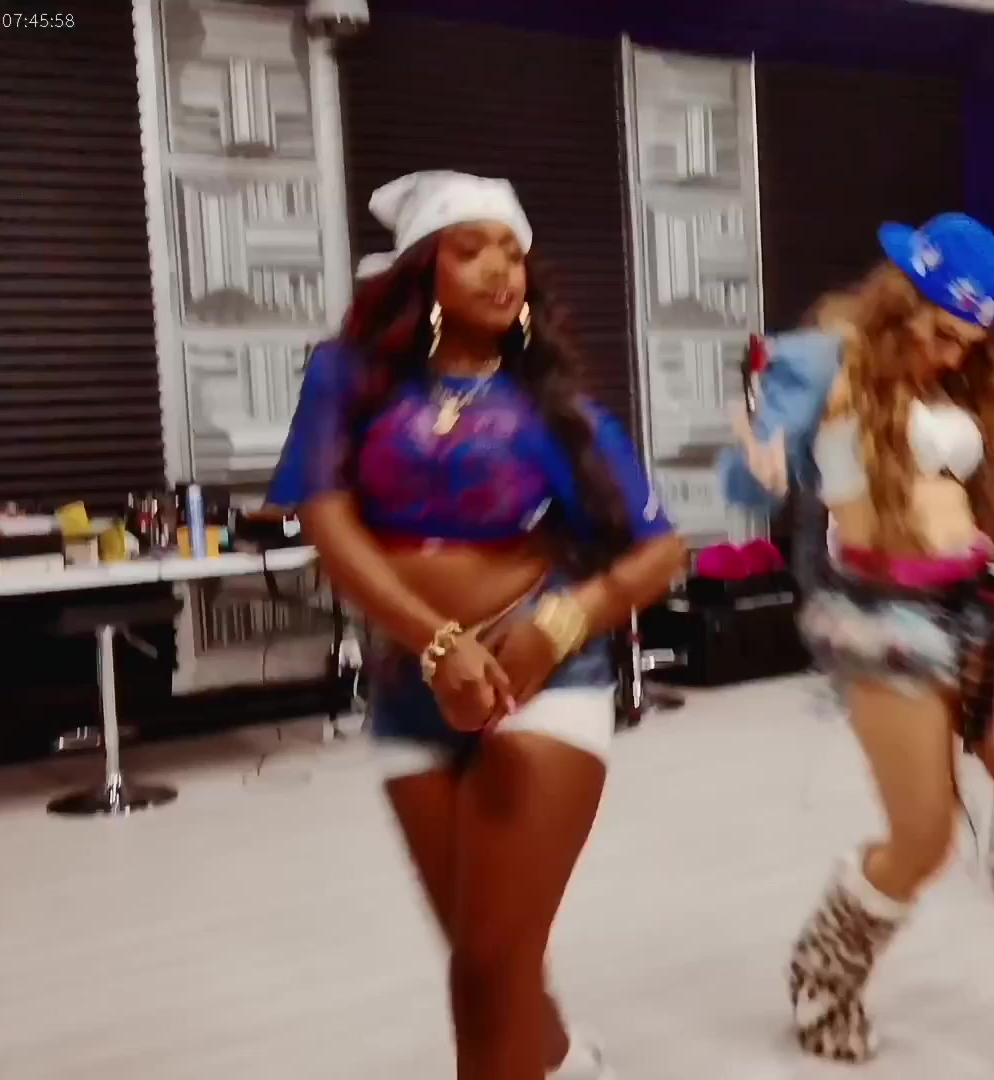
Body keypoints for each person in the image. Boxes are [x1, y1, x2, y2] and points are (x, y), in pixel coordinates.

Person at [721, 213, 994, 1080]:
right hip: (883, 622)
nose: (952, 355)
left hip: (978, 597)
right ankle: (823, 977)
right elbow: (752, 470)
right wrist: (757, 468)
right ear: (902, 301)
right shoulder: (824, 363)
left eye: (968, 341)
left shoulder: (960, 383)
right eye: (941, 333)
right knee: (923, 841)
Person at [268, 170, 685, 1080]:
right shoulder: (349, 379)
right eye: (472, 250)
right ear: (422, 269)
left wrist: (559, 626)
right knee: (486, 956)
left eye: (513, 252)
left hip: (539, 680)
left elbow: (661, 553)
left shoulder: (554, 406)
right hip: (407, 686)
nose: (501, 268)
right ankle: (562, 1059)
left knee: (488, 970)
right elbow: (328, 522)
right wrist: (433, 642)